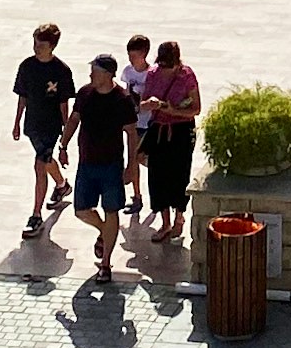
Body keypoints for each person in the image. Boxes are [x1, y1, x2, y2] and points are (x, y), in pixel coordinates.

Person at [67, 54, 139, 276]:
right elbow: (74, 118)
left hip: (111, 165)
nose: (91, 74)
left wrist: (131, 165)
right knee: (80, 210)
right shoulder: (85, 93)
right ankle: (103, 230)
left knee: (111, 211)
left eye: (95, 71)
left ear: (108, 74)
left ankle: (105, 264)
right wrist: (63, 145)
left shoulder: (122, 99)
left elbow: (131, 134)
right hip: (86, 163)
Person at [11, 23, 76, 236]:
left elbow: (63, 103)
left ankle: (36, 215)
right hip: (33, 124)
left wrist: (65, 135)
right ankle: (62, 184)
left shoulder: (61, 71)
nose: (36, 48)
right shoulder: (27, 67)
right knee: (46, 160)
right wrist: (17, 121)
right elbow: (23, 96)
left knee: (40, 165)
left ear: (52, 46)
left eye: (41, 45)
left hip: (51, 125)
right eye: (35, 43)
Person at [138, 38, 203, 232]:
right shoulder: (153, 74)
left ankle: (179, 217)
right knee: (157, 175)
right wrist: (150, 104)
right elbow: (142, 105)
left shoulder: (186, 75)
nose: (165, 69)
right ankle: (165, 221)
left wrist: (173, 111)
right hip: (158, 128)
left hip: (181, 130)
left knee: (179, 173)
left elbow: (196, 108)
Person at [119, 33, 154, 213]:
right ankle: (137, 195)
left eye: (134, 56)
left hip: (148, 122)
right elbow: (126, 93)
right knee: (132, 156)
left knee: (138, 157)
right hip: (133, 122)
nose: (131, 59)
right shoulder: (128, 72)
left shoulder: (151, 74)